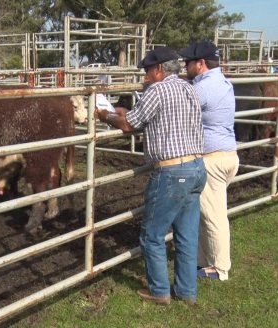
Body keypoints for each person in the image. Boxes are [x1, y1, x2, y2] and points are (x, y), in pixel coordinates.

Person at [97, 46, 207, 305]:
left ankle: (159, 291)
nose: (145, 75)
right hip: (196, 168)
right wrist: (122, 114)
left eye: (147, 70)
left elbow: (127, 125)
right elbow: (140, 118)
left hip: (173, 172)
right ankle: (187, 292)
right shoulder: (188, 88)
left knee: (152, 235)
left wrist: (104, 115)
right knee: (187, 235)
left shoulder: (157, 90)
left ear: (159, 69)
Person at [179, 41, 239, 281]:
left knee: (213, 215)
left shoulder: (203, 89)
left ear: (201, 64)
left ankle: (220, 268)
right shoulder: (222, 82)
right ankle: (204, 261)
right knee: (206, 212)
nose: (185, 66)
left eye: (188, 62)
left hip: (212, 160)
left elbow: (180, 106)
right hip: (226, 154)